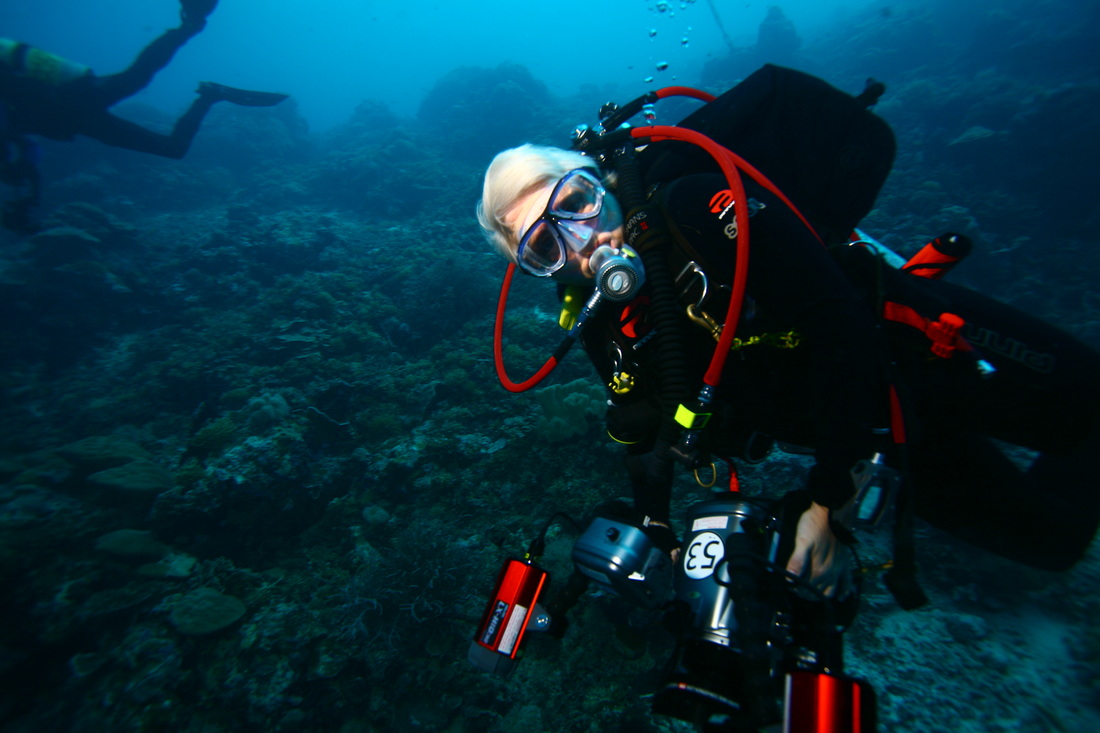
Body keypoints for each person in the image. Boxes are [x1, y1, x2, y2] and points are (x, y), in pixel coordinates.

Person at [476, 70, 1100, 604]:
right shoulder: (602, 319)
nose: (581, 243)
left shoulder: (696, 206)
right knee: (1051, 541)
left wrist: (825, 506)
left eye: (576, 204)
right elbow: (643, 428)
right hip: (876, 435)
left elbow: (838, 322)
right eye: (543, 246)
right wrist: (655, 525)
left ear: (600, 182)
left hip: (922, 347)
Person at [0, 0, 288, 234]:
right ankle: (211, 93)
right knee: (172, 147)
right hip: (73, 120)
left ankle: (189, 26)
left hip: (70, 99)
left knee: (135, 80)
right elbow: (26, 148)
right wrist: (25, 196)